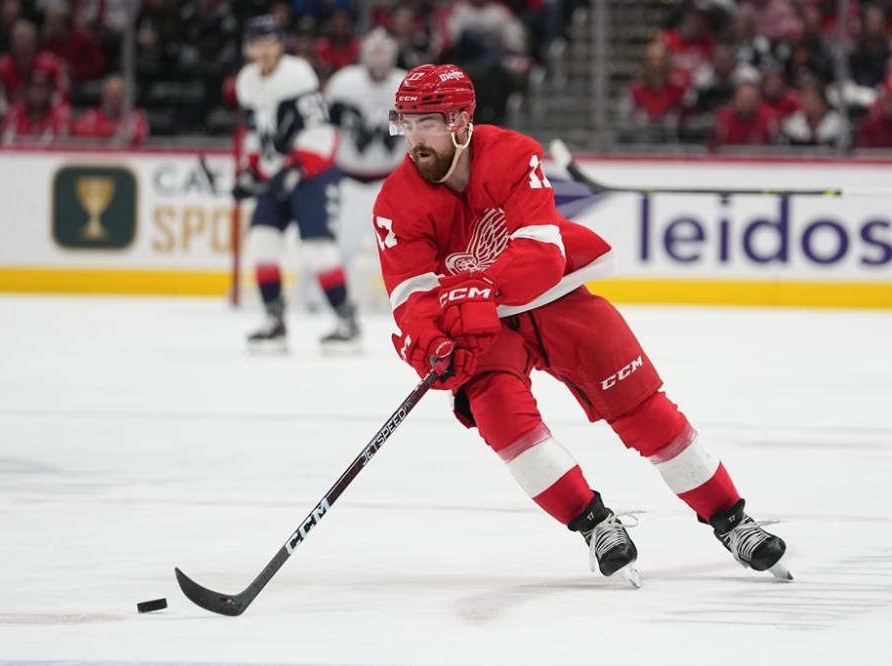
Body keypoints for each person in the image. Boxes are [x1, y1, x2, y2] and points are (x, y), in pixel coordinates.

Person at [374, 63, 791, 585]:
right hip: (482, 328)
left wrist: (482, 289)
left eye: (426, 123)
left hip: (555, 297)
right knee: (504, 423)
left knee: (644, 411)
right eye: (405, 124)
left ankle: (733, 520)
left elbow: (542, 251)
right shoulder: (396, 201)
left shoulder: (512, 153)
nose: (413, 138)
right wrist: (433, 343)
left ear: (461, 121)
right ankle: (596, 526)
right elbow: (410, 295)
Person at [234, 15, 360, 352]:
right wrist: (250, 170)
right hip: (278, 174)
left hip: (311, 175)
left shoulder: (296, 75)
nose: (263, 49)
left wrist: (297, 167)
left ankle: (347, 321)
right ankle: (275, 323)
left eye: (269, 40)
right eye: (257, 41)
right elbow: (255, 134)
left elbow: (320, 130)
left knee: (319, 249)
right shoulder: (246, 80)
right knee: (261, 243)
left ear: (280, 44)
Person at [325, 27, 406, 305]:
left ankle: (399, 300)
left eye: (385, 52)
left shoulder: (403, 84)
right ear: (364, 55)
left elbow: (403, 137)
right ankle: (326, 298)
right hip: (348, 180)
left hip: (390, 183)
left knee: (394, 248)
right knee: (339, 244)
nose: (380, 58)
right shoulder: (345, 83)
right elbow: (327, 128)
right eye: (375, 52)